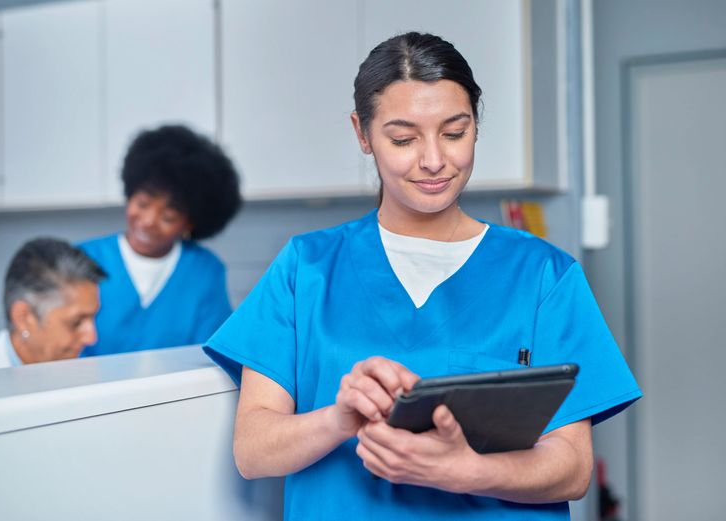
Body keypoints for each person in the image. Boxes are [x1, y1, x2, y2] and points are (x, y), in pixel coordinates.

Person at [203, 32, 642, 520]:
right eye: (403, 139)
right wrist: (339, 418)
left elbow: (573, 468)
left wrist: (469, 471)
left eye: (454, 133)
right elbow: (254, 451)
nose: (434, 160)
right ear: (363, 135)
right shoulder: (306, 268)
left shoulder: (543, 275)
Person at [79, 125, 241, 357]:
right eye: (142, 204)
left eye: (168, 217)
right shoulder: (81, 261)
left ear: (189, 223)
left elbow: (214, 356)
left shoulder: (205, 271)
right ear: (129, 195)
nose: (148, 221)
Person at [0, 238, 105, 373]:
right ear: (23, 318)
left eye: (93, 317)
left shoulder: (83, 374)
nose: (92, 338)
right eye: (76, 322)